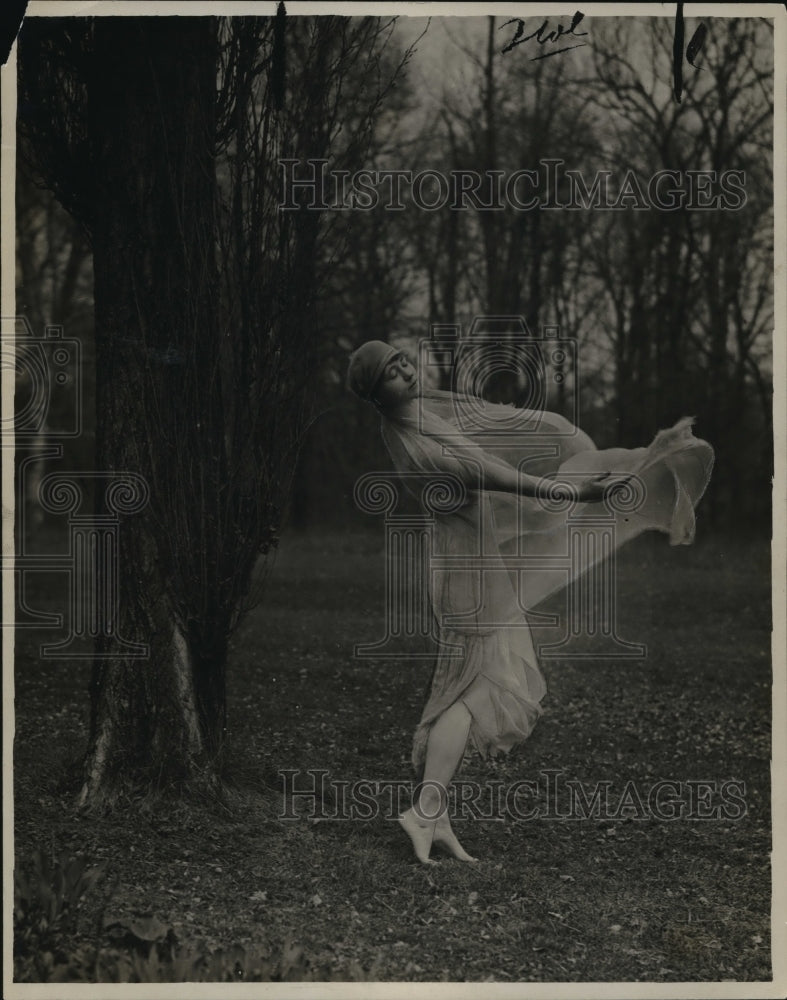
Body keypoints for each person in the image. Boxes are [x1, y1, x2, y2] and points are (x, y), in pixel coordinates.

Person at [346, 339, 714, 865]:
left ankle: (433, 813)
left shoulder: (421, 413)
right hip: (467, 574)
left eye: (403, 361)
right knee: (470, 689)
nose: (405, 372)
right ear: (377, 395)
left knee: (471, 688)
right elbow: (497, 475)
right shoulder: (417, 440)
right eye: (390, 373)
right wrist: (573, 494)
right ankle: (426, 811)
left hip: (468, 563)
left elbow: (496, 429)